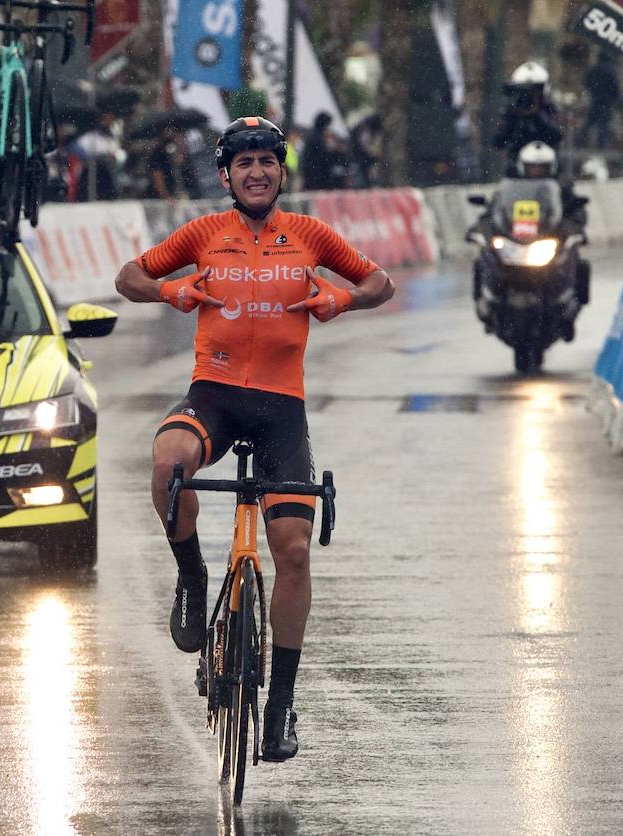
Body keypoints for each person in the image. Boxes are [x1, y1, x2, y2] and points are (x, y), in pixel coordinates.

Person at [113, 116, 394, 762]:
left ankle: (281, 706)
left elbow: (381, 282)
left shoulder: (312, 235)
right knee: (167, 464)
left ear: (282, 172)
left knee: (293, 551)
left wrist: (341, 302)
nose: (258, 171)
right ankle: (192, 575)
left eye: (268, 161)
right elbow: (127, 277)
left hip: (280, 411)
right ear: (226, 176)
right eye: (245, 164)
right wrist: (170, 290)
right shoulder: (205, 233)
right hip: (214, 396)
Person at [491, 61, 563, 176]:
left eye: (535, 89)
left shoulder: (549, 109)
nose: (529, 95)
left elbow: (557, 136)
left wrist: (536, 114)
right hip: (517, 173)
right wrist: (515, 116)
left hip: (547, 172)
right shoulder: (512, 112)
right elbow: (498, 142)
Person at [583, 51, 620, 151]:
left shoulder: (594, 69)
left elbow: (586, 82)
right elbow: (615, 87)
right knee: (603, 124)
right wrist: (615, 98)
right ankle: (600, 146)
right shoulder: (611, 70)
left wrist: (594, 90)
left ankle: (582, 141)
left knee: (590, 121)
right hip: (606, 102)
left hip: (596, 99)